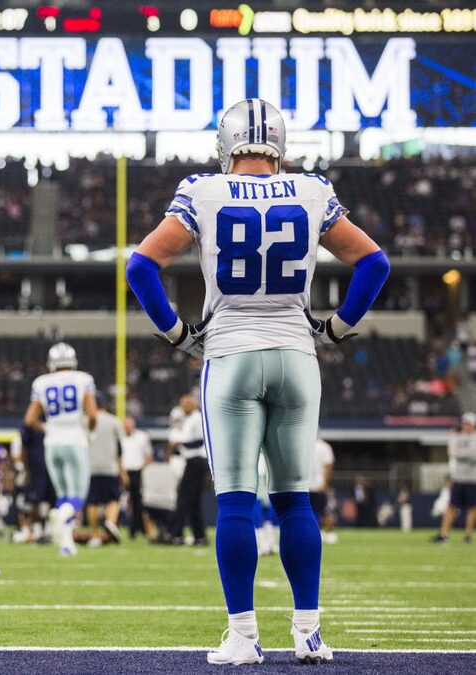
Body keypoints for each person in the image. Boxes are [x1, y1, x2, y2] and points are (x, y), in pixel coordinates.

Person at [127, 98, 390, 665]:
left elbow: (141, 266)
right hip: (298, 352)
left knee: (237, 505)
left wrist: (177, 334)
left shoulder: (202, 190)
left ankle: (244, 638)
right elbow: (375, 263)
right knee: (296, 503)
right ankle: (309, 632)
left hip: (231, 352)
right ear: (280, 143)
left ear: (225, 145)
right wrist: (338, 329)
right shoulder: (313, 190)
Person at [24, 342, 97, 557]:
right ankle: (60, 516)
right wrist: (90, 431)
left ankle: (66, 544)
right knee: (78, 497)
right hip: (75, 439)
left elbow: (29, 420)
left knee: (63, 494)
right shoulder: (83, 379)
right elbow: (92, 415)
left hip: (52, 442)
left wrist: (46, 427)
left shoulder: (42, 382)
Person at [85, 394, 126, 547]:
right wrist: (122, 470)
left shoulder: (85, 420)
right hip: (110, 467)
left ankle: (95, 535)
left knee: (92, 501)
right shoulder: (114, 421)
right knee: (113, 499)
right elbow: (119, 448)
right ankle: (110, 522)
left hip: (91, 466)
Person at [171, 394, 209, 546]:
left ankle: (176, 534)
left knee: (183, 498)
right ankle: (200, 536)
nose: (183, 406)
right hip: (191, 460)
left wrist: (180, 444)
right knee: (193, 501)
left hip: (197, 461)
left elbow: (200, 441)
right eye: (182, 403)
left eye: (186, 403)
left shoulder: (197, 418)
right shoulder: (185, 419)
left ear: (193, 404)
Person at [434, 412, 476, 543]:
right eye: (464, 423)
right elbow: (453, 453)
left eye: (468, 423)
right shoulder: (457, 437)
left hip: (473, 479)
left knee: (473, 507)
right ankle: (444, 534)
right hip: (458, 478)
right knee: (451, 506)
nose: (466, 426)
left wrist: (461, 452)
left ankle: (468, 535)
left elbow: (472, 455)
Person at [122, 417, 152, 539]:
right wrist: (122, 474)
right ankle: (137, 528)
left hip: (138, 471)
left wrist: (144, 473)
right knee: (127, 502)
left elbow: (148, 456)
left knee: (138, 502)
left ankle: (137, 529)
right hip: (123, 471)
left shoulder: (142, 437)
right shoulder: (120, 437)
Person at [310, 433, 337, 544]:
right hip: (314, 484)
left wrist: (324, 483)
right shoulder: (324, 447)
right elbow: (328, 465)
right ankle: (318, 532)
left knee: (324, 510)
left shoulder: (322, 446)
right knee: (319, 510)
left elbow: (328, 466)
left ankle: (329, 532)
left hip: (313, 484)